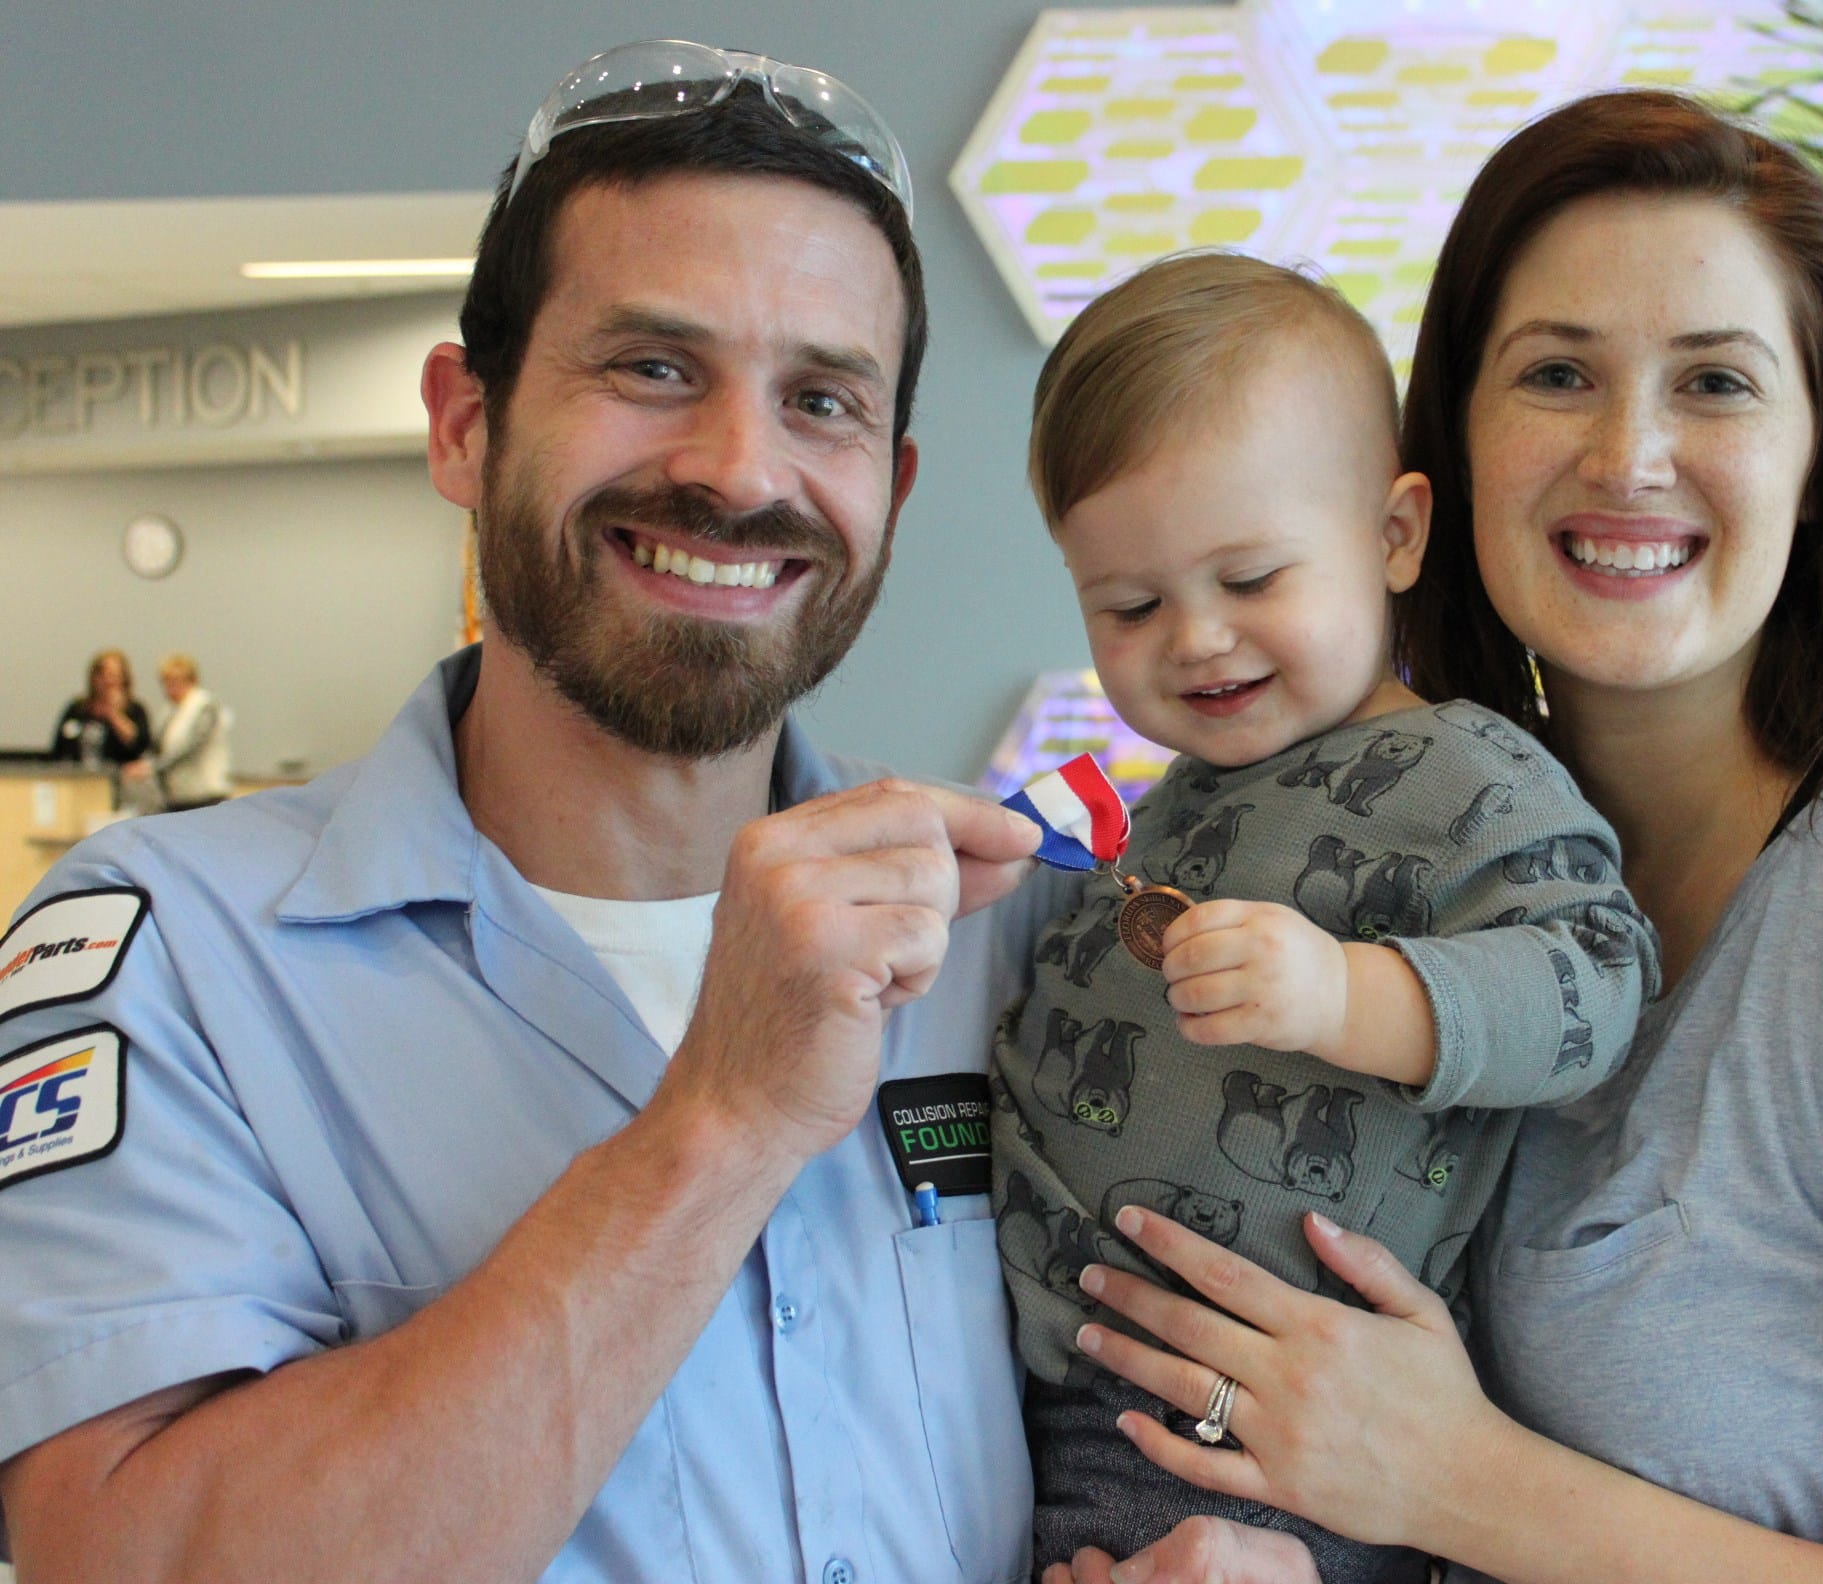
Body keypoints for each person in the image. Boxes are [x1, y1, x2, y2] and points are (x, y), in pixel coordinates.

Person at [1048, 91, 1823, 1584]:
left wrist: (1458, 1480)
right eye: (1556, 374)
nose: (1627, 456)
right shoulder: (1398, 883)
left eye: (1717, 385)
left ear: (1821, 466)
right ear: (1448, 459)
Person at [0, 43, 1063, 1583]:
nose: (738, 470)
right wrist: (724, 1121)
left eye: (820, 400)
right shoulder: (163, 961)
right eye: (651, 368)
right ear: (464, 426)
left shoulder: (1021, 944)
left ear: (890, 486)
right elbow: (135, 1558)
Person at [999, 252, 1656, 1581]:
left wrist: (1350, 998)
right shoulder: (1167, 805)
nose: (1194, 640)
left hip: (1289, 1414)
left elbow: (1596, 980)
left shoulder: (1472, 779)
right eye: (1128, 606)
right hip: (1051, 1388)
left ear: (1393, 536)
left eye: (1250, 580)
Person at [122, 652, 234, 810]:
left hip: (206, 795)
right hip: (176, 796)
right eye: (165, 681)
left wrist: (151, 768)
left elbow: (189, 748)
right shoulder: (169, 711)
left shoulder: (206, 706)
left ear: (192, 680)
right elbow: (156, 747)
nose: (170, 687)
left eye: (176, 681)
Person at [48, 648, 151, 768]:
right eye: (103, 675)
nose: (108, 681)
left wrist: (114, 714)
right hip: (79, 777)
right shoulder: (77, 708)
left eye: (115, 676)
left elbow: (139, 745)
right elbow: (59, 747)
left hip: (118, 778)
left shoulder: (135, 710)